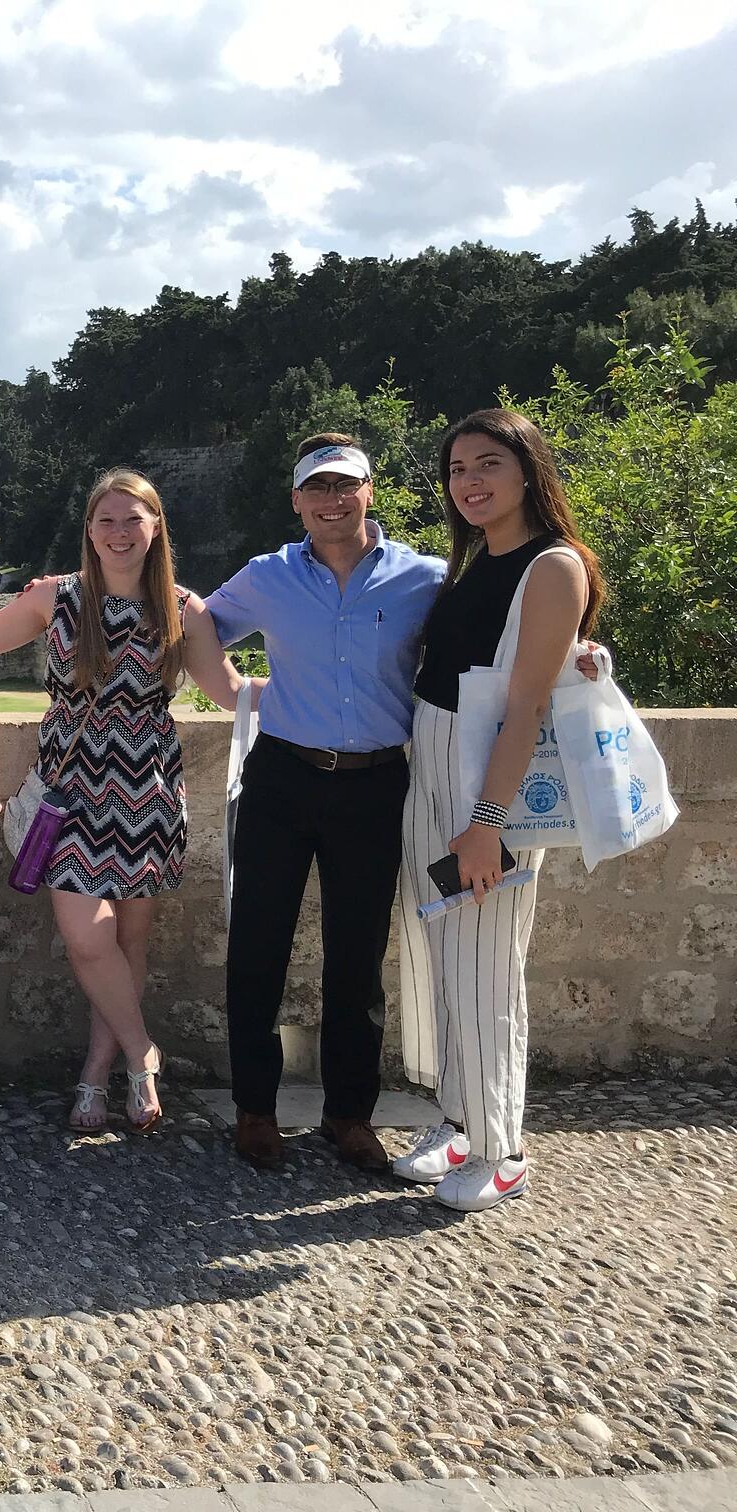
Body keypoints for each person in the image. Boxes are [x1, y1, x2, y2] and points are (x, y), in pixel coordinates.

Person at [0, 469, 247, 1136]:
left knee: (127, 940)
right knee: (88, 938)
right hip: (69, 792)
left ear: (155, 528)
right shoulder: (54, 600)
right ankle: (144, 1052)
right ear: (89, 530)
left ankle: (97, 1073)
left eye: (132, 519)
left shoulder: (183, 609)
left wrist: (329, 681)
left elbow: (231, 692)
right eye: (106, 520)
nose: (119, 532)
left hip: (147, 791)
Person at [203, 436, 445, 1173]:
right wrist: (235, 695)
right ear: (297, 501)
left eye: (347, 486)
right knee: (257, 949)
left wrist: (577, 655)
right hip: (282, 776)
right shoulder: (268, 576)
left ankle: (349, 1116)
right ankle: (254, 1110)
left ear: (371, 490)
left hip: (375, 784)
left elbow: (491, 639)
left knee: (358, 957)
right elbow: (198, 626)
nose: (332, 501)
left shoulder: (425, 578)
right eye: (318, 489)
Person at [391, 409, 602, 1211]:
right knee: (441, 958)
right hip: (434, 768)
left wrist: (486, 824)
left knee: (485, 967)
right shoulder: (482, 558)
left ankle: (501, 1144)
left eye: (487, 464)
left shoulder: (552, 566)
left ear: (527, 471)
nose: (470, 482)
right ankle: (455, 1119)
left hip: (489, 785)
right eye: (456, 470)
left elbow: (526, 709)